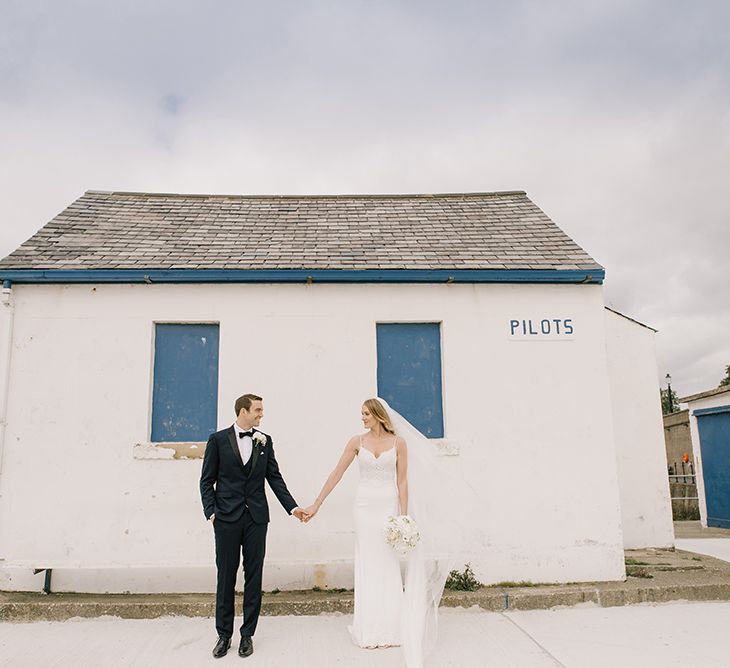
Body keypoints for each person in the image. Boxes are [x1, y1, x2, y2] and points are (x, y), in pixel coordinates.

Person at [303, 398, 455, 667]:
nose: (362, 418)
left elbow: (402, 480)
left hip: (388, 507)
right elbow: (336, 473)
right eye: (361, 414)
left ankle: (393, 628)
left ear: (377, 415)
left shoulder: (399, 443)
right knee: (368, 563)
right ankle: (368, 628)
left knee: (387, 563)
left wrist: (404, 516)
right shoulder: (355, 442)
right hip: (363, 508)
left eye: (365, 414)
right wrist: (317, 503)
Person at [200, 394, 308, 659]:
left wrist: (293, 508)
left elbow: (274, 477)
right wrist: (211, 513)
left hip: (257, 519)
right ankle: (224, 635)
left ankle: (247, 634)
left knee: (254, 576)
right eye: (258, 410)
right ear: (243, 411)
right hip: (226, 518)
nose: (261, 414)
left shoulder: (264, 440)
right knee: (225, 576)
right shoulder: (217, 440)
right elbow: (206, 481)